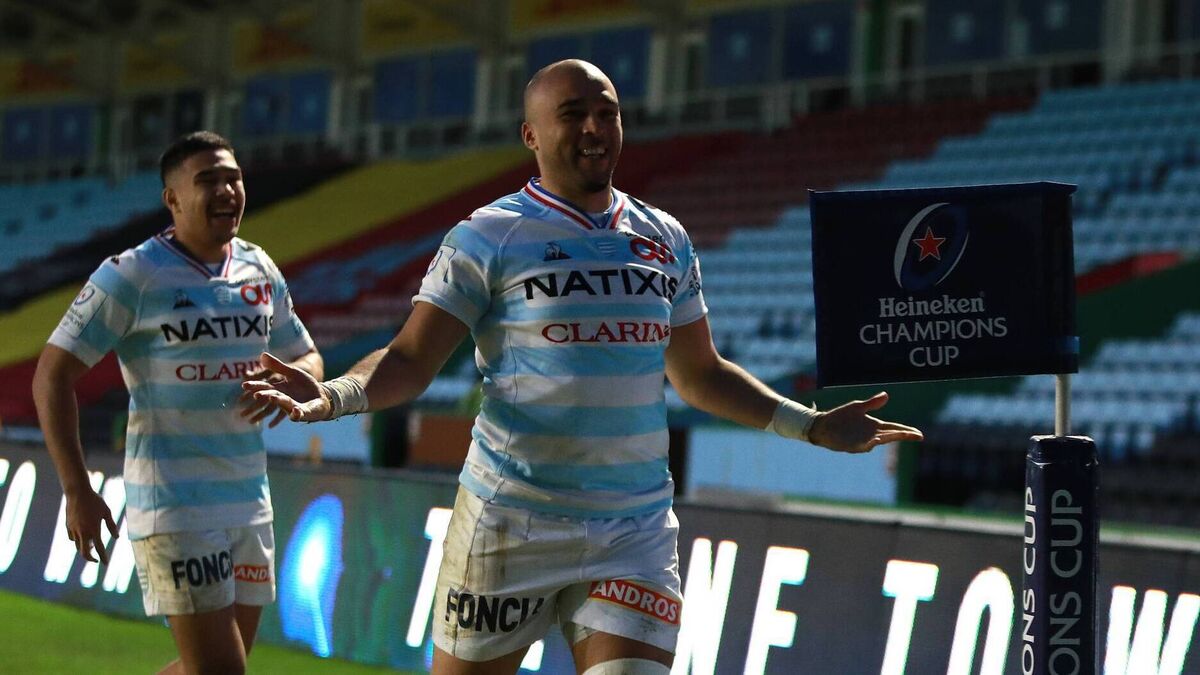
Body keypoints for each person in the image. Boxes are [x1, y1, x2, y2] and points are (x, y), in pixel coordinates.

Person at [245, 60, 922, 675]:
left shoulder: (665, 238)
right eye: (573, 115)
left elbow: (700, 374)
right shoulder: (488, 235)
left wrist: (810, 425)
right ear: (531, 135)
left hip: (634, 529)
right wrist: (334, 394)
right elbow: (411, 357)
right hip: (511, 522)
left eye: (607, 112)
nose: (595, 128)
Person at [33, 131, 323, 674]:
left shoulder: (259, 268)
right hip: (174, 503)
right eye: (208, 180)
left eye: (234, 178)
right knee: (221, 670)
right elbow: (52, 375)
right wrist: (76, 489)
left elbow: (307, 356)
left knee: (214, 666)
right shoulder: (132, 274)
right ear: (173, 199)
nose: (227, 190)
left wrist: (298, 379)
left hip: (249, 498)